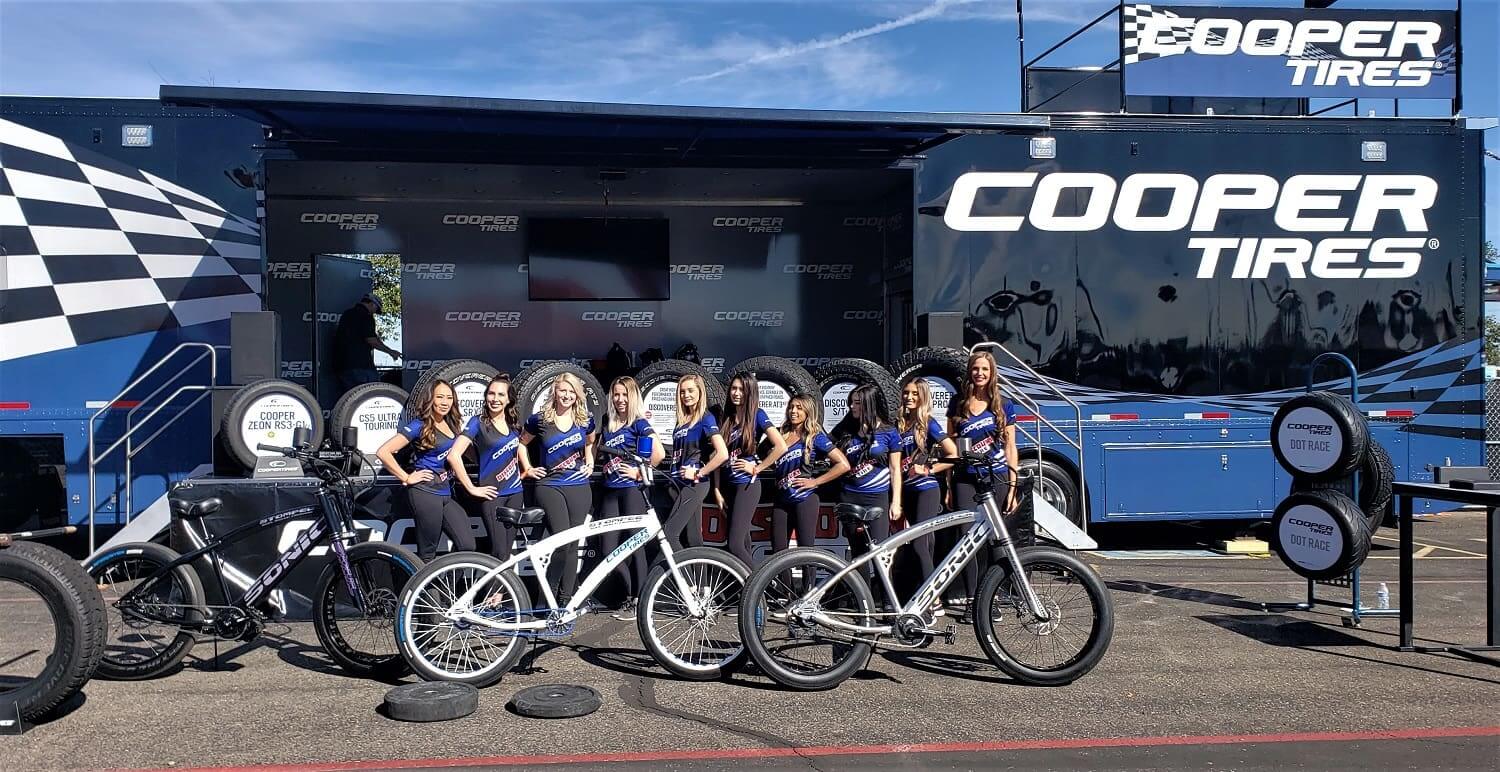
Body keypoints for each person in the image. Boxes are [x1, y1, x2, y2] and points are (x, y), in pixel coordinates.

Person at [946, 350, 1020, 620]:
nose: (979, 373)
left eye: (984, 370)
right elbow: (950, 447)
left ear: (992, 374)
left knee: (993, 540)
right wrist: (948, 485)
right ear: (969, 371)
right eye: (975, 369)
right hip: (965, 478)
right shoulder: (958, 403)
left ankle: (992, 601)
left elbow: (1011, 446)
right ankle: (971, 600)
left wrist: (1012, 485)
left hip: (996, 477)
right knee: (967, 539)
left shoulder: (1003, 405)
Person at [519, 373, 598, 606]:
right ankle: (547, 601)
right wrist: (528, 468)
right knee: (562, 541)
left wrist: (590, 462)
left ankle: (566, 601)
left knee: (574, 544)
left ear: (577, 394)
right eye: (563, 390)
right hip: (550, 487)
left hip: (579, 487)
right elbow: (522, 444)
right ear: (555, 391)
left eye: (572, 391)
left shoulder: (585, 420)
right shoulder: (539, 419)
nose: (567, 395)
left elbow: (592, 441)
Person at [375, 379, 475, 562]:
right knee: (428, 551)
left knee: (467, 545)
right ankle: (426, 590)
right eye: (440, 397)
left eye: (449, 397)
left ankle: (445, 586)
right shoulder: (419, 425)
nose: (445, 402)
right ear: (431, 399)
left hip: (446, 492)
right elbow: (383, 452)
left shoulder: (452, 424)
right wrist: (406, 477)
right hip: (425, 492)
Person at [596, 376, 664, 620]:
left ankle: (638, 601)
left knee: (635, 546)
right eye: (616, 394)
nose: (620, 399)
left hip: (632, 491)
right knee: (607, 549)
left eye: (625, 394)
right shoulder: (608, 423)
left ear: (633, 396)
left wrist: (639, 472)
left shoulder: (638, 423)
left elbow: (659, 452)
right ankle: (629, 595)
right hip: (610, 491)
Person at [832, 383, 903, 611]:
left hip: (877, 498)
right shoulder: (846, 430)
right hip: (849, 496)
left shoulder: (889, 431)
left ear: (869, 404)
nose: (852, 406)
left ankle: (888, 603)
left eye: (857, 402)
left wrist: (896, 501)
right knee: (858, 553)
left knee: (880, 553)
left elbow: (895, 469)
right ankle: (862, 604)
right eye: (851, 402)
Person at [446, 374, 525, 561]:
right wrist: (472, 488)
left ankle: (501, 592)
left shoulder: (513, 423)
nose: (495, 399)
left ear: (508, 399)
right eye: (491, 393)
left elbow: (519, 446)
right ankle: (495, 592)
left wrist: (527, 467)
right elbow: (453, 455)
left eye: (500, 395)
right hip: (492, 495)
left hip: (515, 493)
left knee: (506, 551)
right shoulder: (478, 422)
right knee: (499, 552)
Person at [770, 394, 849, 580]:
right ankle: (785, 595)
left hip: (805, 499)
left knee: (806, 550)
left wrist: (815, 481)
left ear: (808, 411)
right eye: (791, 407)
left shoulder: (815, 437)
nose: (794, 411)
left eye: (799, 408)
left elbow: (843, 464)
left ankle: (809, 596)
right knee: (778, 551)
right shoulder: (779, 435)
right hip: (781, 499)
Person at [716, 373, 787, 567]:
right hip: (728, 486)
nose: (736, 393)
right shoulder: (726, 419)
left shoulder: (758, 414)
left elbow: (781, 446)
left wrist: (757, 468)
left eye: (741, 389)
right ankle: (749, 593)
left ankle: (765, 583)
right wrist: (717, 490)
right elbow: (717, 457)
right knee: (744, 542)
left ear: (750, 392)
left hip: (747, 485)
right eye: (734, 388)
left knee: (735, 544)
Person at [898, 378, 958, 604]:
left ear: (922, 397)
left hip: (927, 490)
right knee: (925, 543)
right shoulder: (899, 423)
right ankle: (933, 595)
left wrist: (928, 468)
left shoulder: (928, 423)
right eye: (906, 393)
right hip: (907, 491)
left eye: (914, 394)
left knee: (920, 543)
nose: (909, 397)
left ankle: (931, 598)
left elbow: (953, 455)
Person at [662, 374, 728, 552]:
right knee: (692, 538)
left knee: (669, 534)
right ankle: (699, 580)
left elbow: (722, 454)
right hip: (677, 485)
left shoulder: (706, 418)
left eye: (691, 390)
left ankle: (681, 578)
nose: (686, 395)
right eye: (682, 392)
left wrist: (700, 473)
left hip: (694, 484)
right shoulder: (681, 421)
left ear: (700, 392)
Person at [331, 295, 400, 395]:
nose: (374, 313)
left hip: (343, 367)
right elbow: (372, 340)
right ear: (372, 304)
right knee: (372, 397)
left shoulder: (347, 314)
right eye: (375, 310)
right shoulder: (366, 316)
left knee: (351, 400)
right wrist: (391, 352)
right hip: (361, 367)